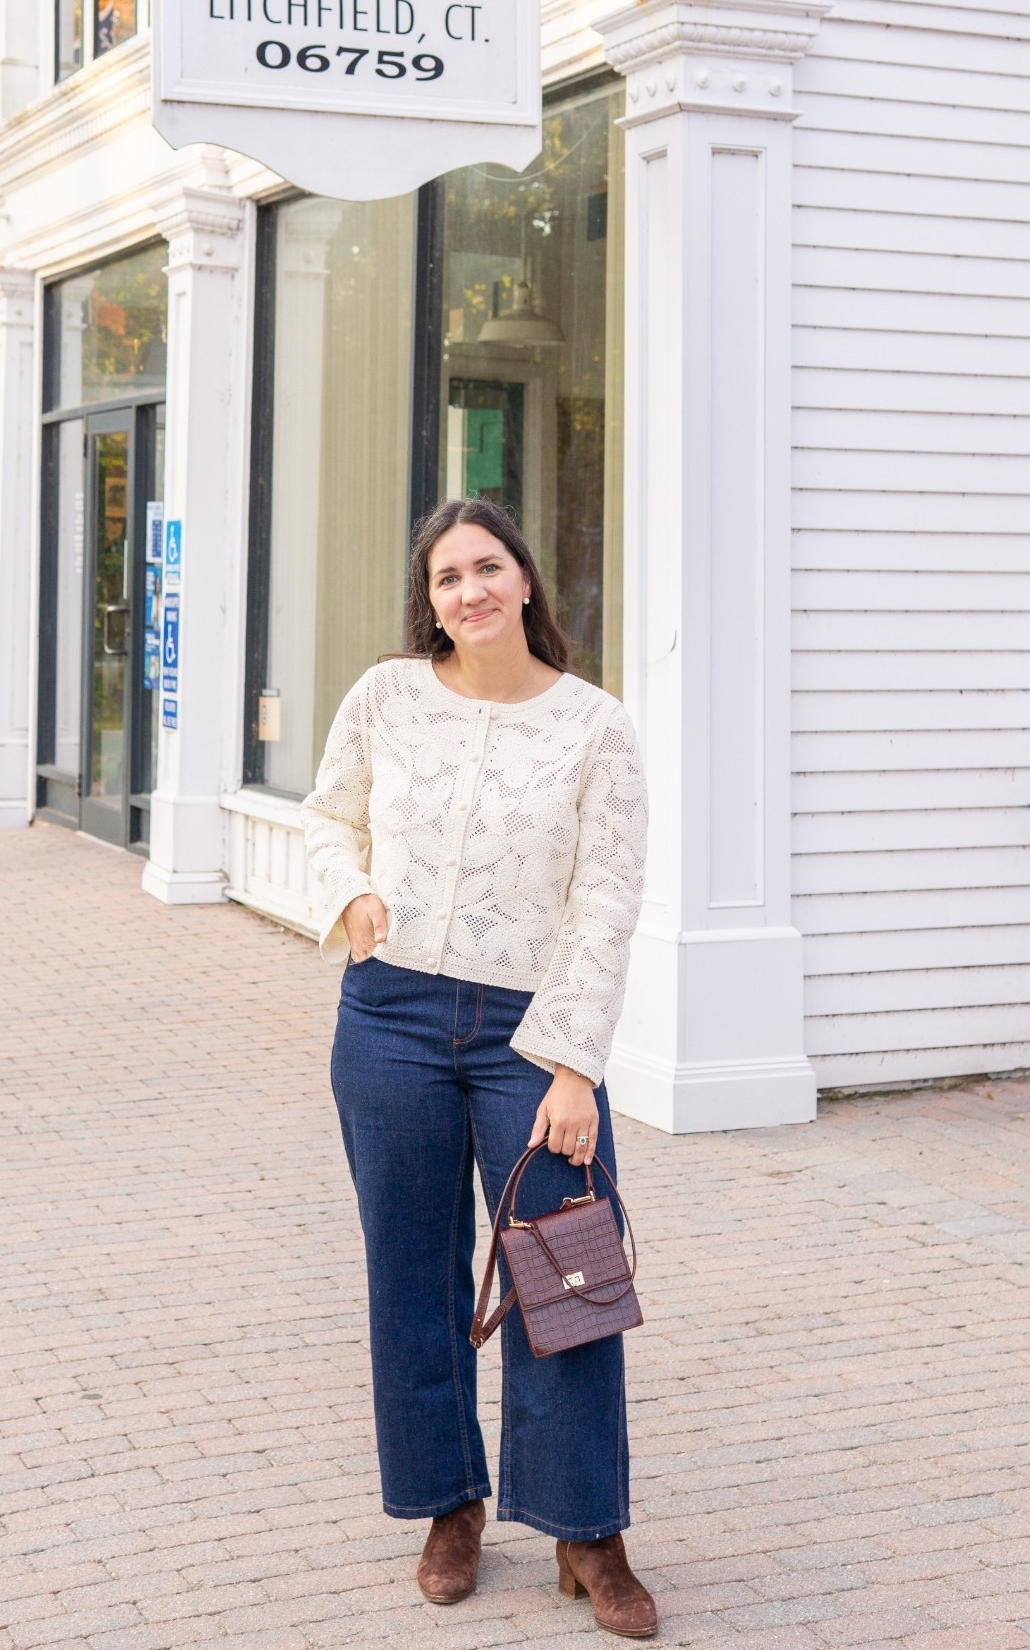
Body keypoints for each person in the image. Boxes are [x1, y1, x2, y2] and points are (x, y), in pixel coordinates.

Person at [301, 498, 655, 1639]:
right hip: (390, 1011)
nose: (470, 592)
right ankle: (449, 1503)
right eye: (448, 576)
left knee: (567, 1273)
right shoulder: (385, 696)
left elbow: (605, 902)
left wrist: (571, 1068)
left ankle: (586, 1528)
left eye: (488, 567)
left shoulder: (595, 726)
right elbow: (326, 818)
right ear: (432, 598)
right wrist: (350, 897)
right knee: (409, 1269)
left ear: (527, 581)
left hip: (529, 1037)